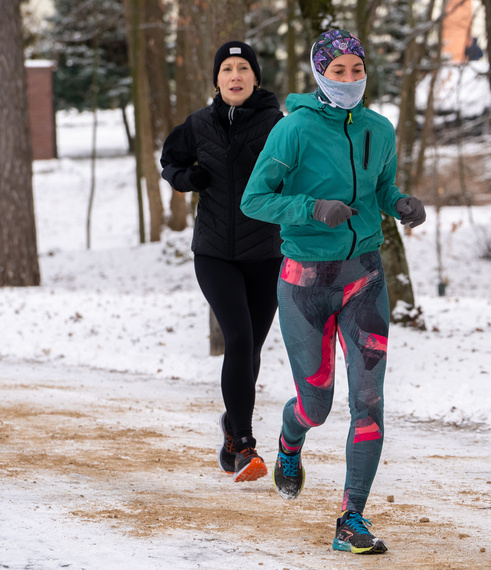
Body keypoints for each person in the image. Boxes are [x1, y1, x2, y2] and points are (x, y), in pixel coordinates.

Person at [240, 29, 426, 555]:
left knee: (369, 400)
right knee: (317, 402)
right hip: (305, 282)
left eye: (356, 69)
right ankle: (289, 438)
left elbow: (381, 187)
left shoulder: (379, 129)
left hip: (364, 274)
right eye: (337, 70)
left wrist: (401, 204)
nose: (349, 79)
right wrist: (311, 208)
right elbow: (256, 199)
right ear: (320, 74)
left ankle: (351, 518)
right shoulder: (293, 130)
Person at [160, 41, 283, 484]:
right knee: (238, 336)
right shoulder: (197, 124)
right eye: (227, 69)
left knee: (251, 348)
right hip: (213, 252)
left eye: (243, 68)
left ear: (255, 78)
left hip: (267, 253)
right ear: (217, 79)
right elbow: (169, 161)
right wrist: (185, 177)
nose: (235, 75)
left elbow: (298, 173)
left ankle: (231, 428)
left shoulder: (277, 125)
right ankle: (246, 444)